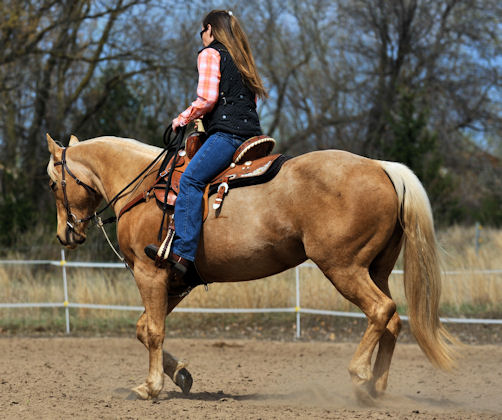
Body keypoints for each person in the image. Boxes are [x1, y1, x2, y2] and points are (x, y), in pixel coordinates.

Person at [145, 9, 267, 277]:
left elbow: (207, 99)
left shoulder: (211, 53)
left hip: (228, 135)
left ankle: (183, 253)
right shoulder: (241, 58)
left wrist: (182, 119)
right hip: (252, 135)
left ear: (210, 29)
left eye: (202, 31)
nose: (201, 36)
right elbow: (251, 102)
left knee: (190, 180)